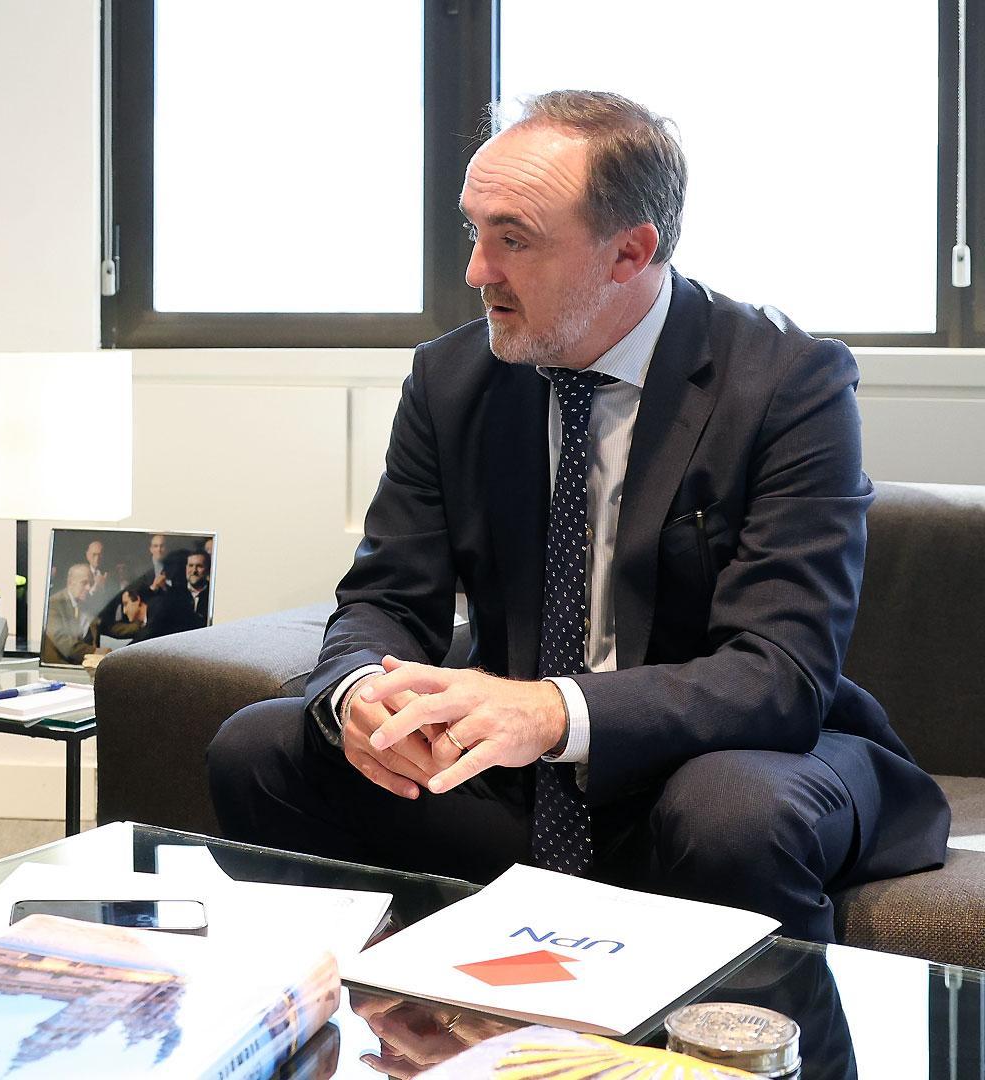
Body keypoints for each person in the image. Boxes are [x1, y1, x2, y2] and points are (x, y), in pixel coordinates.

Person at [206, 91, 948, 943]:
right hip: (522, 784)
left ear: (631, 251)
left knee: (731, 812)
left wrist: (552, 712)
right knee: (260, 751)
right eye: (472, 231)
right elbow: (384, 597)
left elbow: (779, 672)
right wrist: (360, 695)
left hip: (731, 762)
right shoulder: (451, 381)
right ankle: (395, 1028)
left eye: (513, 239)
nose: (477, 271)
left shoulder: (787, 382)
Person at [42, 561, 104, 665]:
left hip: (85, 669)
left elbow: (109, 627)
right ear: (70, 583)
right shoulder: (53, 604)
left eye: (91, 583)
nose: (88, 588)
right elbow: (62, 641)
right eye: (84, 583)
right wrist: (95, 652)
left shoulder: (88, 605)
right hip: (59, 669)